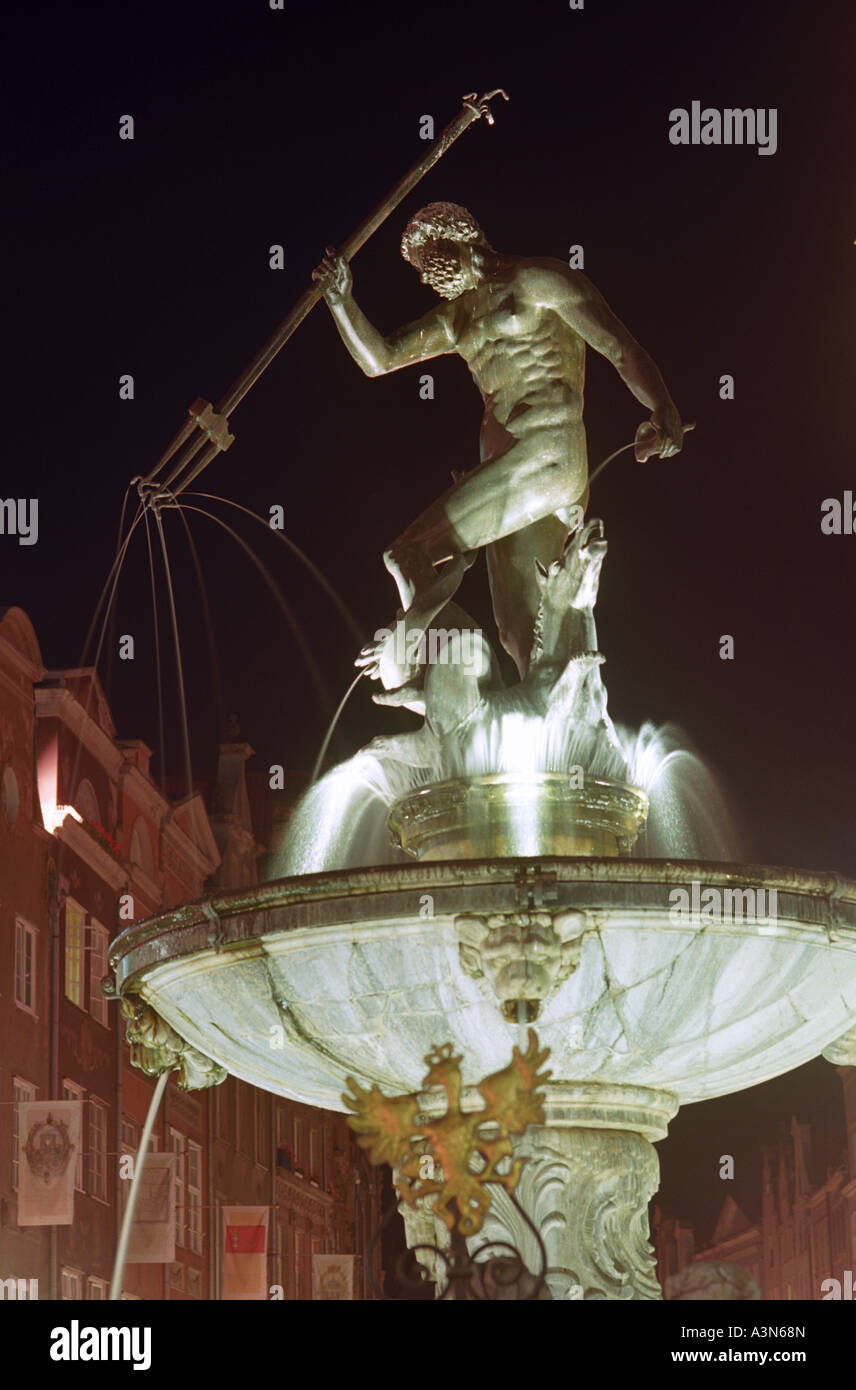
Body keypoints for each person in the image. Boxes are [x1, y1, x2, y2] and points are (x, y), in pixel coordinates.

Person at [313, 202, 684, 693]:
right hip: (507, 474)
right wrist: (341, 301)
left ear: (456, 241)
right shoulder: (456, 318)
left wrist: (662, 407)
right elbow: (380, 359)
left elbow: (618, 347)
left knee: (407, 553)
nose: (427, 281)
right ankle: (558, 732)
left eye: (430, 266)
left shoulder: (539, 279)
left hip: (547, 453)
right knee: (517, 631)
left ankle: (414, 635)